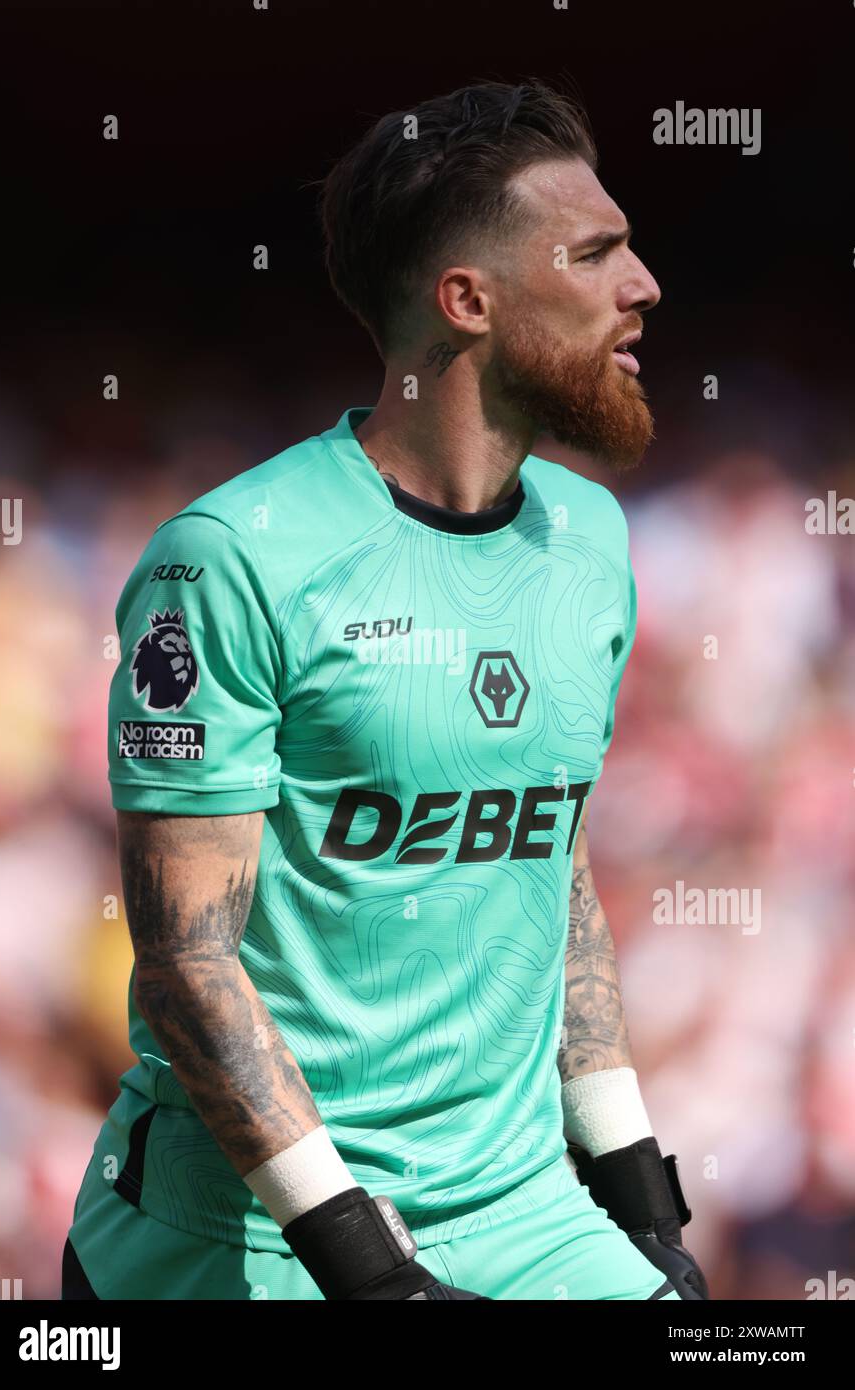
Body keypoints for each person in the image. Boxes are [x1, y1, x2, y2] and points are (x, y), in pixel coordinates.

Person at [63, 79, 707, 1300]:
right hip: (250, 1233)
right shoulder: (234, 557)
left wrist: (640, 1201)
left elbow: (549, 870)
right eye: (597, 252)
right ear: (465, 301)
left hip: (522, 1210)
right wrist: (368, 1269)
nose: (644, 284)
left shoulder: (594, 541)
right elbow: (185, 962)